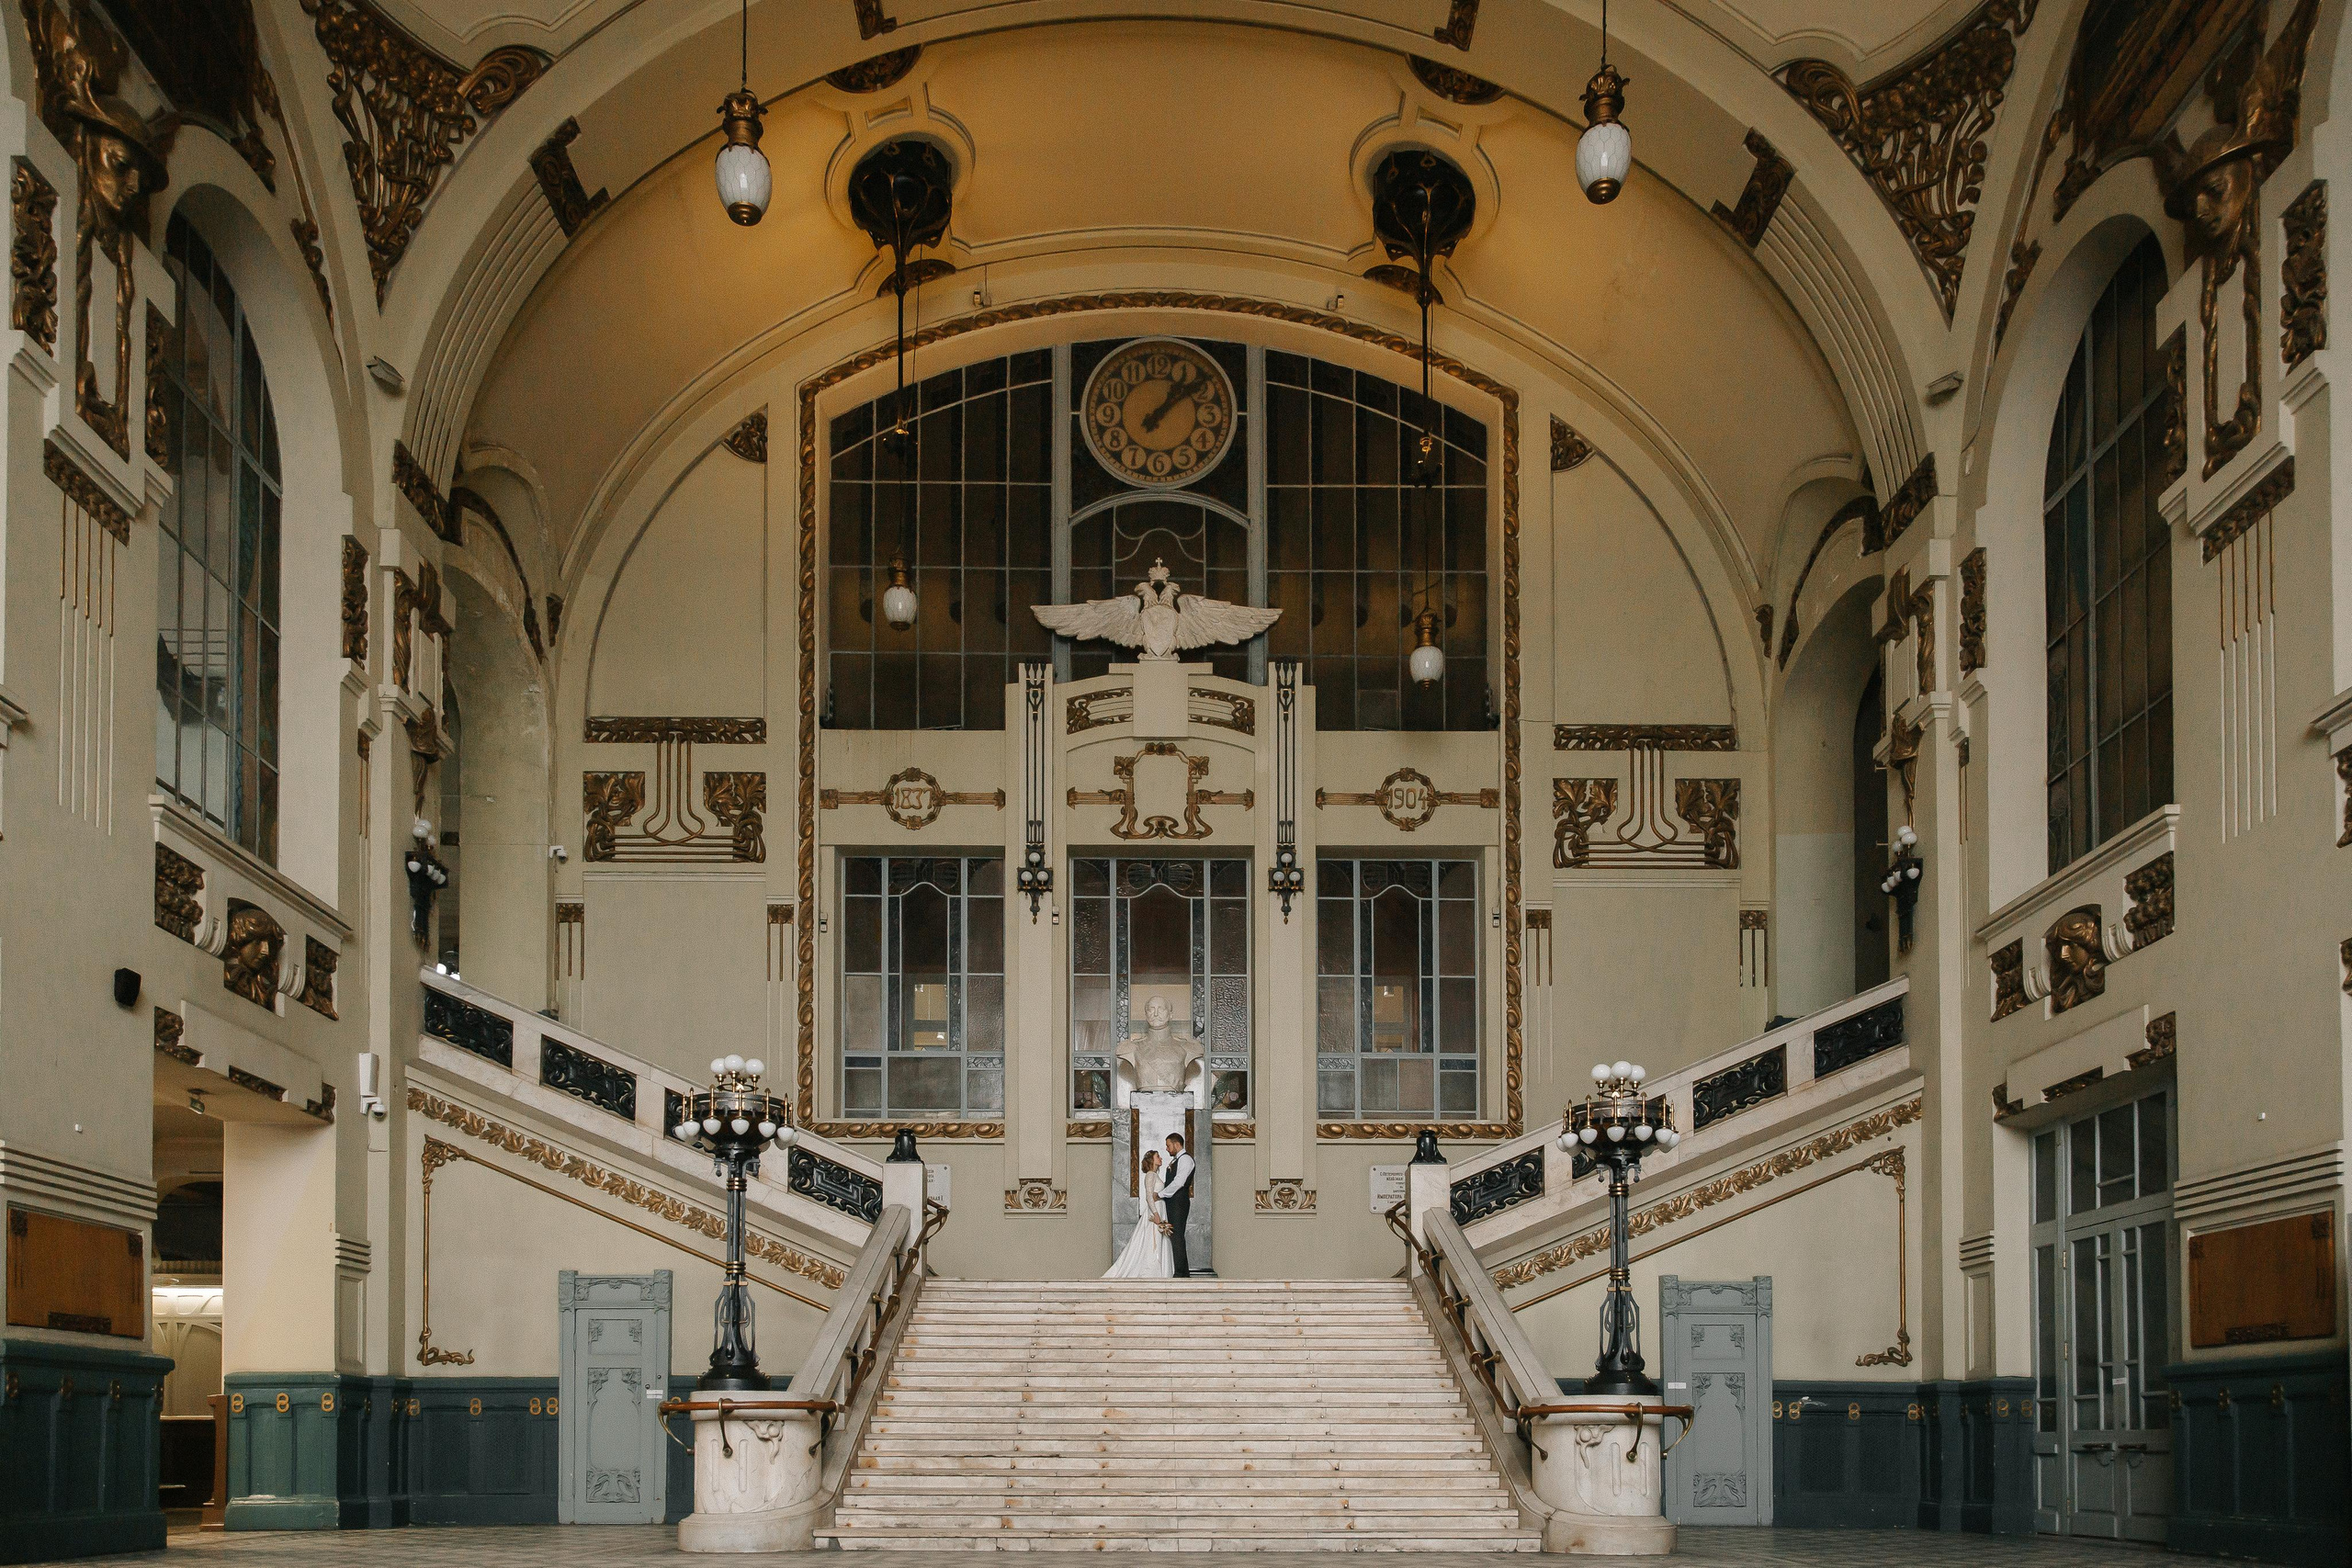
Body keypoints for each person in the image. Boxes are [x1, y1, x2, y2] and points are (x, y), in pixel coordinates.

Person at [1102, 1151, 1175, 1278]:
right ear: (1151, 1160)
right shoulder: (1150, 1175)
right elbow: (1148, 1196)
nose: (1161, 1158)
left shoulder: (1154, 1175)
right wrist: (1156, 1214)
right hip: (1156, 1212)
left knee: (1159, 1240)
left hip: (1160, 1209)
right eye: (1158, 1156)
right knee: (1153, 1241)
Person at [1159, 1133, 1194, 1278]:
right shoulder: (1176, 1160)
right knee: (1175, 1235)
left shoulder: (1185, 1160)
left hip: (1179, 1201)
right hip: (1173, 1201)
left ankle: (1181, 1273)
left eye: (1168, 1145)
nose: (1167, 1149)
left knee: (1177, 1235)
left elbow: (1179, 1182)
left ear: (1176, 1144)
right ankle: (1182, 1271)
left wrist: (1160, 1194)